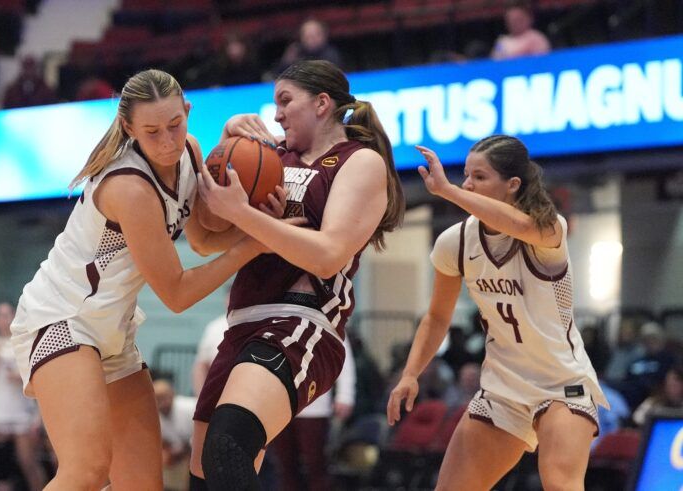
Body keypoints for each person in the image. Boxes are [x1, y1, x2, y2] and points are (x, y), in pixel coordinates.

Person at [9, 69, 285, 491]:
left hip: (111, 331)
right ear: (128, 128)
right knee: (86, 472)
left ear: (188, 112)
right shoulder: (129, 186)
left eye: (175, 125)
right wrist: (254, 243)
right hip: (62, 319)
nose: (168, 141)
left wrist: (257, 221)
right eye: (152, 132)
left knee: (142, 484)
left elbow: (205, 240)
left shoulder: (189, 154)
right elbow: (175, 293)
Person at [189, 59, 405, 490]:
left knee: (229, 446)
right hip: (241, 326)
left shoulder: (358, 162)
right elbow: (206, 241)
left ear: (322, 103)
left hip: (302, 321)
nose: (276, 114)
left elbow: (327, 256)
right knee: (207, 475)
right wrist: (220, 145)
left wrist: (247, 218)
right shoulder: (270, 155)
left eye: (285, 101)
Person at [387, 135, 609, 491]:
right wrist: (411, 373)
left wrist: (448, 192)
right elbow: (437, 317)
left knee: (559, 483)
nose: (467, 184)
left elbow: (519, 226)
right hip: (503, 387)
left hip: (561, 383)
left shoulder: (549, 226)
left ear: (513, 185)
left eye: (479, 177)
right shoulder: (454, 242)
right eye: (466, 175)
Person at [270, 335, 355, 491]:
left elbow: (343, 358)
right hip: (280, 403)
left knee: (316, 464)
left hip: (314, 407)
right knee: (285, 465)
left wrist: (345, 395)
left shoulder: (328, 316)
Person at [0, 302, 46, 491]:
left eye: (7, 315)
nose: (3, 319)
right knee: (1, 467)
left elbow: (39, 379)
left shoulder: (26, 342)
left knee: (28, 463)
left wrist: (20, 377)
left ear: (15, 316)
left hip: (22, 411)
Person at [274, 19, 342, 76]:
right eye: (307, 36)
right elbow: (278, 75)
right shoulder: (296, 52)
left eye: (315, 35)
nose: (312, 40)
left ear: (324, 35)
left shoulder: (331, 55)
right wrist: (286, 61)